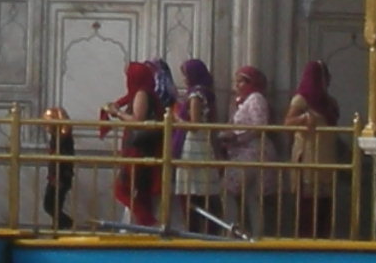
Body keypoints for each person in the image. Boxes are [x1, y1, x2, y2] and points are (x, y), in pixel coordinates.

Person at [103, 61, 163, 228]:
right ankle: (146, 226)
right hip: (140, 150)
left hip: (138, 152)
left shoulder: (142, 94)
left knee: (123, 190)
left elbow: (138, 120)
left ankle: (151, 223)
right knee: (140, 194)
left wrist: (118, 113)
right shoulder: (143, 93)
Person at [285, 61, 340, 237]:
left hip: (325, 155)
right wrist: (303, 119)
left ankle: (323, 237)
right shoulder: (302, 99)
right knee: (308, 203)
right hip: (308, 155)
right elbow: (287, 122)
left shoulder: (330, 102)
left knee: (324, 202)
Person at [173, 58, 223, 232]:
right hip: (204, 144)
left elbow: (194, 124)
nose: (185, 79)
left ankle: (196, 231)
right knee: (205, 191)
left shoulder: (195, 95)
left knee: (194, 192)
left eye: (186, 75)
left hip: (193, 147)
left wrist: (176, 119)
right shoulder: (207, 93)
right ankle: (211, 231)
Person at [224, 66, 272, 235]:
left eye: (241, 81)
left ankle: (232, 229)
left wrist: (237, 137)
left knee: (229, 190)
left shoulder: (256, 99)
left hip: (250, 152)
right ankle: (253, 232)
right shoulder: (242, 100)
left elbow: (259, 126)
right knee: (251, 196)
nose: (237, 85)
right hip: (243, 151)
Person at [39, 106, 78, 230]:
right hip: (56, 176)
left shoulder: (63, 138)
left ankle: (65, 224)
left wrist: (58, 177)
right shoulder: (57, 137)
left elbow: (62, 158)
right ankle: (58, 226)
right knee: (53, 206)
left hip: (60, 177)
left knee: (50, 205)